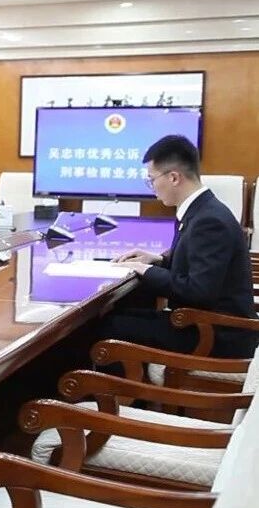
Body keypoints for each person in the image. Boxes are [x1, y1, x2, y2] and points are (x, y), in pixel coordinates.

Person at [102, 134, 258, 359]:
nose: (152, 187)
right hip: (203, 324)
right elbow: (195, 264)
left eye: (151, 179)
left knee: (110, 328)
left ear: (174, 177)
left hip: (218, 336)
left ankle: (130, 385)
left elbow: (198, 292)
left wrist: (146, 270)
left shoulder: (209, 220)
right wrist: (159, 260)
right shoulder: (201, 210)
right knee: (117, 316)